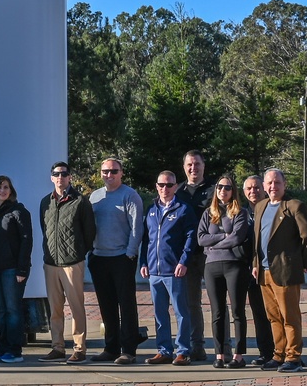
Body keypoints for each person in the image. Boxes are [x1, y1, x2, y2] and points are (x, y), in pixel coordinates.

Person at [252, 168, 307, 373]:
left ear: (284, 185)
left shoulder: (294, 206)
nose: (273, 187)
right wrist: (256, 263)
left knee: (290, 316)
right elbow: (257, 239)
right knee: (273, 317)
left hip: (285, 271)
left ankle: (293, 357)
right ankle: (278, 355)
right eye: (269, 183)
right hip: (263, 271)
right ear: (264, 186)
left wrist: (302, 262)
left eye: (277, 183)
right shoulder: (260, 206)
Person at [38, 160, 96, 364]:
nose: (60, 177)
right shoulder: (45, 202)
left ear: (70, 176)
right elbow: (44, 230)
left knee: (76, 307)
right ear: (51, 177)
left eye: (64, 174)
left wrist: (78, 252)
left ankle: (79, 348)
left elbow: (89, 233)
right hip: (51, 262)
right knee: (55, 308)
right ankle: (57, 347)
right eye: (57, 174)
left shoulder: (80, 201)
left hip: (72, 263)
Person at [88, 157, 144, 365]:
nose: (109, 175)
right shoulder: (95, 197)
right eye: (105, 171)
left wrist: (130, 253)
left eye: (113, 171)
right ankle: (111, 348)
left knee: (126, 305)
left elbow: (137, 228)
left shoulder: (130, 196)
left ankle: (128, 350)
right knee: (106, 306)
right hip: (99, 258)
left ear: (121, 173)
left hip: (122, 258)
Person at [140, 170, 197, 367]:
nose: (165, 188)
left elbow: (191, 237)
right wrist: (143, 263)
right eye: (161, 185)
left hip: (174, 270)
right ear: (156, 186)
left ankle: (182, 351)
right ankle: (164, 350)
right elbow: (146, 239)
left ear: (175, 187)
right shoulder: (151, 209)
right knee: (159, 313)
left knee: (181, 312)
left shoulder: (183, 209)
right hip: (154, 271)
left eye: (169, 185)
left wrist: (184, 261)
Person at [197, 174, 251, 369]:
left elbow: (237, 238)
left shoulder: (240, 212)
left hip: (234, 265)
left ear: (233, 191)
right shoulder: (208, 213)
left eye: (227, 187)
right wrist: (222, 237)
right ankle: (219, 355)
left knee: (237, 311)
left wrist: (214, 243)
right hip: (211, 267)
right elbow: (201, 239)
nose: (223, 190)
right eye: (220, 187)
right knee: (217, 312)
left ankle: (238, 355)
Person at [0, 175, 33, 364]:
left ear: (11, 190)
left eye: (6, 187)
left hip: (12, 270)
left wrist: (22, 269)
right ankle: (3, 348)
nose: (2, 190)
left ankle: (14, 350)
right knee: (1, 311)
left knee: (13, 310)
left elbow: (27, 241)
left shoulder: (19, 211)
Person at [177, 149, 216, 361]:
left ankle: (223, 348)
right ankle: (197, 347)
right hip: (187, 255)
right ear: (184, 167)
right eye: (189, 165)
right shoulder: (177, 191)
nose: (194, 168)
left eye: (197, 164)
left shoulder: (214, 189)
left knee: (217, 302)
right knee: (191, 303)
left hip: (210, 254)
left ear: (204, 166)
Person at [242, 174, 274, 364]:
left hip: (271, 268)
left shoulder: (273, 209)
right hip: (249, 270)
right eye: (249, 189)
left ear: (263, 189)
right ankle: (266, 352)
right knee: (258, 313)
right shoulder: (240, 213)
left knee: (276, 313)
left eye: (256, 188)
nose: (253, 191)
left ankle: (284, 352)